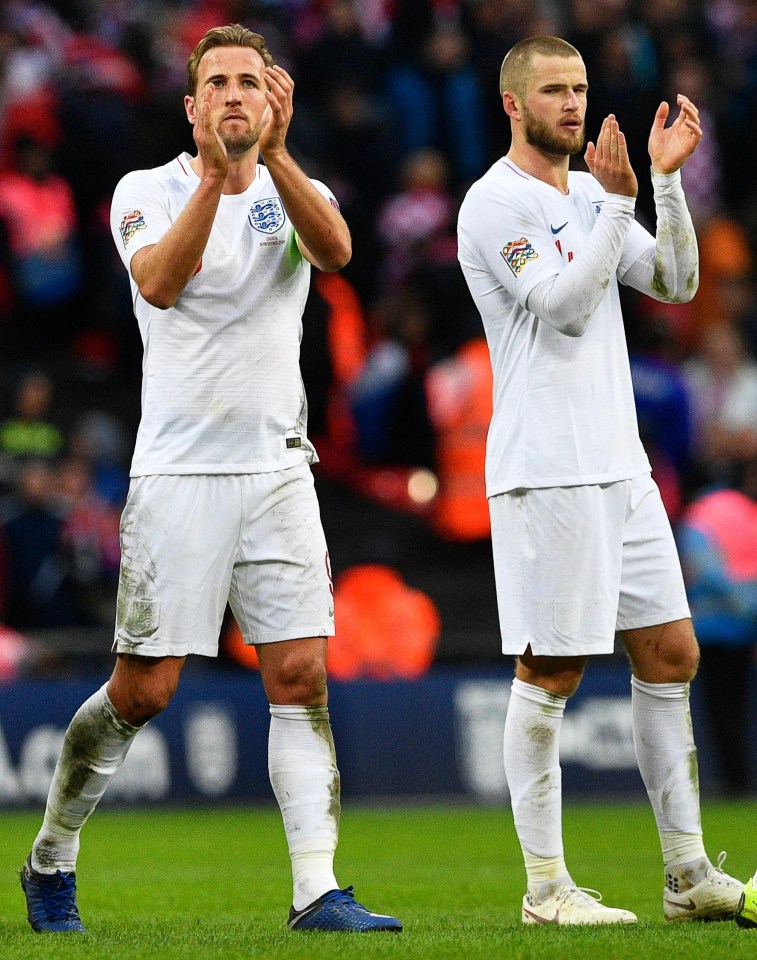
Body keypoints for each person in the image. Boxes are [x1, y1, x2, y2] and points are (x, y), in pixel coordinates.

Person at [19, 24, 401, 936]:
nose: (235, 94)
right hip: (180, 472)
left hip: (278, 467)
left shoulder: (290, 189)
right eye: (218, 84)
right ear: (191, 106)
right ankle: (50, 856)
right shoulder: (144, 190)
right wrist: (216, 178)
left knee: (300, 673)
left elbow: (341, 251)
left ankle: (317, 889)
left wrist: (270, 158)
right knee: (144, 690)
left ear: (273, 99)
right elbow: (157, 281)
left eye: (250, 82)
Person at [457, 35, 744, 926]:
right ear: (514, 103)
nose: (573, 105)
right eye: (553, 91)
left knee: (671, 652)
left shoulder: (588, 191)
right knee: (551, 669)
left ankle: (688, 876)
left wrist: (658, 185)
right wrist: (618, 205)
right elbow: (562, 306)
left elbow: (675, 280)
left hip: (619, 465)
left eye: (579, 88)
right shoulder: (492, 203)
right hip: (547, 469)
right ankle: (545, 888)